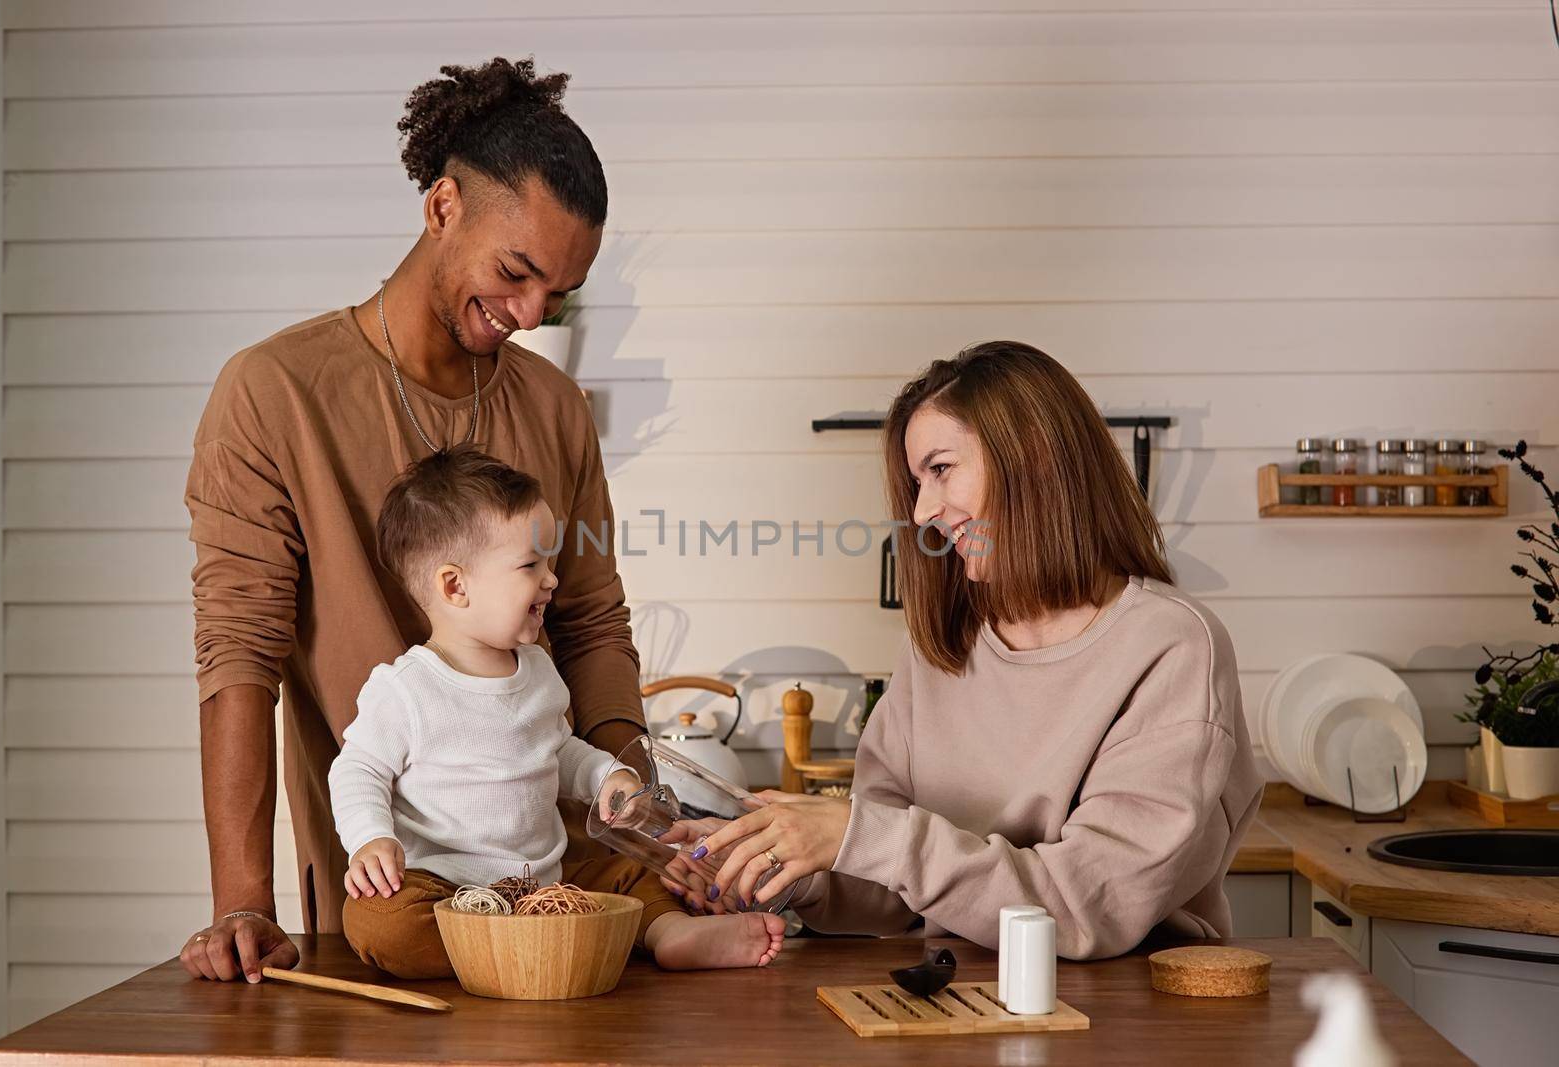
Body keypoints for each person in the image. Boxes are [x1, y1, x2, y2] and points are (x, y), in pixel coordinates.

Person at [179, 58, 646, 983]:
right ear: (443, 208)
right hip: (390, 888)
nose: (528, 314)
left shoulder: (553, 407)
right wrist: (241, 900)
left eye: (556, 295)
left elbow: (591, 622)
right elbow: (241, 648)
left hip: (544, 893)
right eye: (515, 274)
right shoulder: (275, 392)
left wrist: (644, 805)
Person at [680, 342, 1264, 959]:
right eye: (917, 481)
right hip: (958, 1000)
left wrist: (859, 832)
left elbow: (1088, 906)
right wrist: (780, 868)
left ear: (1032, 457)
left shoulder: (1171, 645)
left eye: (940, 468)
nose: (924, 511)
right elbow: (893, 886)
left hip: (1122, 1010)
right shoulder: (941, 648)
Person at [332, 449, 784, 975]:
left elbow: (559, 751)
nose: (551, 579)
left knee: (631, 878)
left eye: (548, 562)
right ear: (456, 586)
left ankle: (671, 934)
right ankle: (542, 944)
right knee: (379, 921)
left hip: (543, 883)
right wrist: (371, 837)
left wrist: (605, 777)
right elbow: (357, 768)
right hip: (445, 888)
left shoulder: (538, 671)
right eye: (531, 565)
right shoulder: (407, 688)